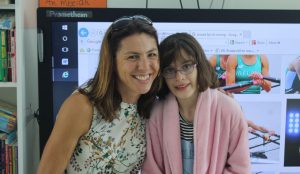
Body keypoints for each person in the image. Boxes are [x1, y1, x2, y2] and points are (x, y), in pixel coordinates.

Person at [37, 15, 160, 174]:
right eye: (132, 56)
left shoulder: (153, 105)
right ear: (112, 61)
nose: (145, 66)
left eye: (151, 54)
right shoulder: (82, 106)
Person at [142, 33, 251, 174]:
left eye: (186, 66)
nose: (179, 77)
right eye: (170, 70)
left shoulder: (230, 110)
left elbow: (240, 169)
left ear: (199, 66)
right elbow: (152, 169)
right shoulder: (156, 113)